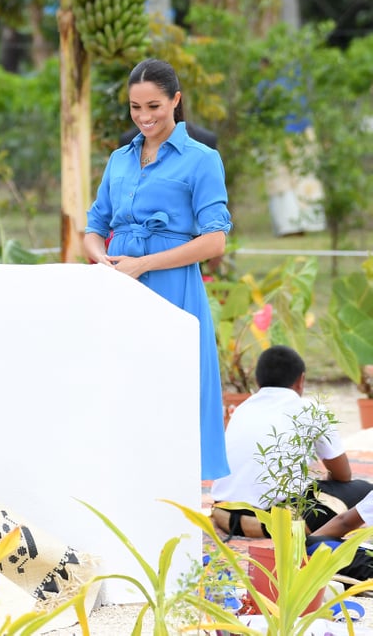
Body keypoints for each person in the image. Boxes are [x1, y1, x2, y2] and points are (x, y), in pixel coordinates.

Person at [83, 58, 231, 481]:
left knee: (171, 389)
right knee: (121, 387)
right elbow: (94, 227)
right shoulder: (119, 159)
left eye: (154, 106)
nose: (144, 117)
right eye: (135, 107)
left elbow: (215, 239)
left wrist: (143, 264)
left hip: (170, 285)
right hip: (118, 286)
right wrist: (103, 260)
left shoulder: (202, 160)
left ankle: (175, 493)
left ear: (176, 101)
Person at [210, 345, 373, 535]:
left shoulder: (241, 409)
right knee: (363, 491)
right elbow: (343, 475)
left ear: (257, 381)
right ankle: (293, 529)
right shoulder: (310, 409)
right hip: (278, 518)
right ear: (301, 380)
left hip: (227, 513)